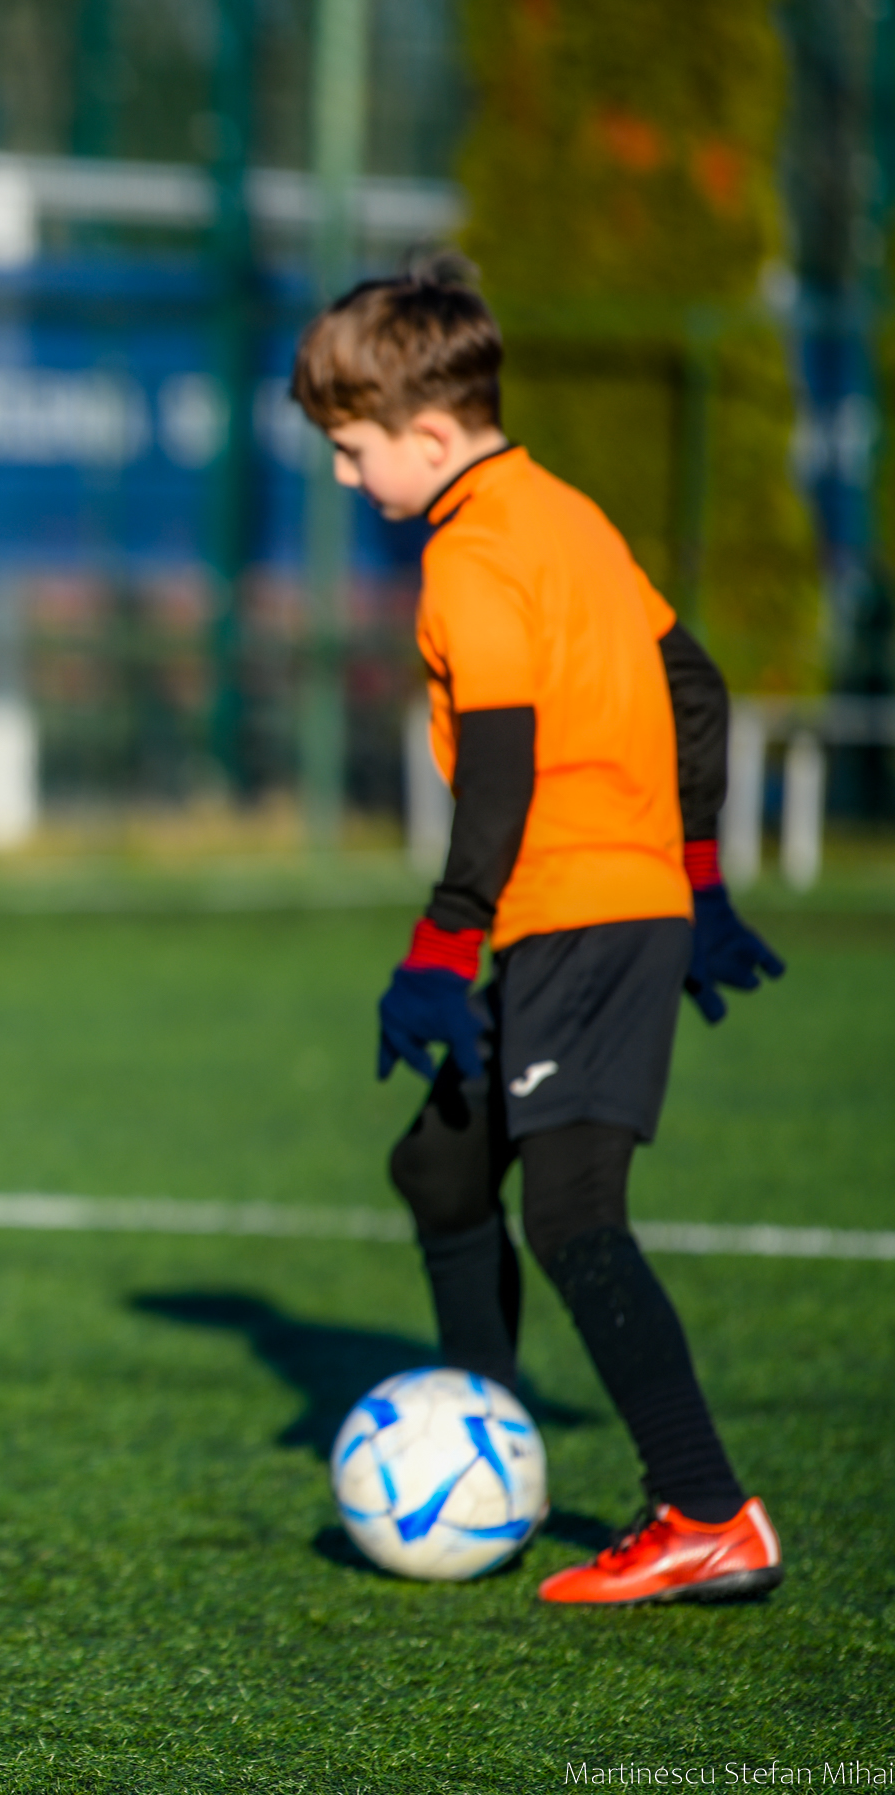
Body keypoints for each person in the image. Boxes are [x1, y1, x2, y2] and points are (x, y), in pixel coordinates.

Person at [291, 265, 786, 1606]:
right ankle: (487, 1428)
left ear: (427, 435)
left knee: (573, 1215)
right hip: (606, 909)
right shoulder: (567, 512)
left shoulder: (469, 555)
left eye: (351, 448)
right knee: (440, 1170)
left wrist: (441, 947)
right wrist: (699, 879)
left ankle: (705, 1511)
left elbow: (499, 773)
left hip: (574, 918)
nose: (344, 475)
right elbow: (695, 685)